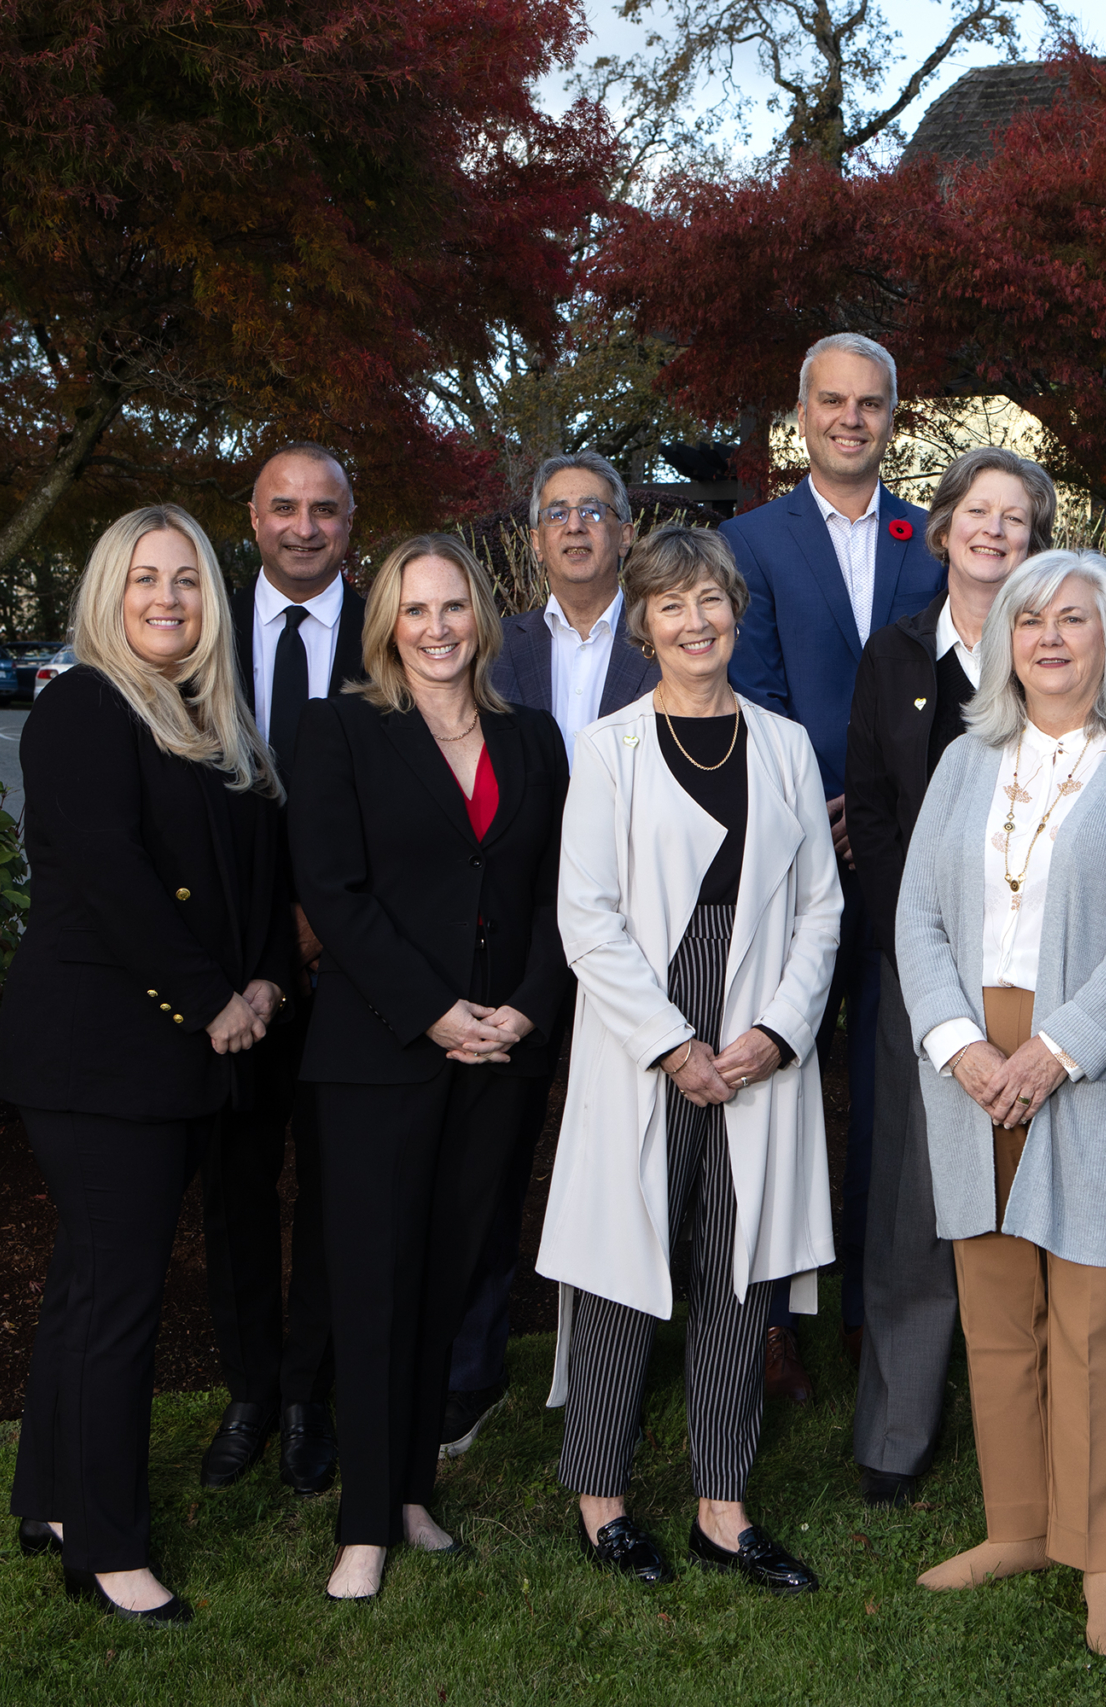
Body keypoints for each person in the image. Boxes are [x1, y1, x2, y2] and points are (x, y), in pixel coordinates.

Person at [892, 549, 1106, 1658]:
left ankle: (1101, 1554)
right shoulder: (967, 761)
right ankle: (1018, 1525)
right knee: (995, 1310)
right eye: (1031, 621)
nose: (1052, 638)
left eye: (1076, 619)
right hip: (972, 1056)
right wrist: (959, 1045)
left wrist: (1057, 1049)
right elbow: (916, 921)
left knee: (1093, 1315)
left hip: (1092, 1058)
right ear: (1002, 641)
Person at [1, 505, 295, 1625]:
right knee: (116, 1299)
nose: (167, 597)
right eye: (143, 580)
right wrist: (212, 998)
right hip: (99, 1051)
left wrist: (265, 977)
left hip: (178, 1047)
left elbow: (262, 871)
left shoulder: (214, 717)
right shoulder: (83, 704)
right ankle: (110, 1551)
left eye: (184, 579)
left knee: (87, 1284)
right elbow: (114, 878)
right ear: (108, 596)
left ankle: (54, 1497)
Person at [537, 526, 842, 1594]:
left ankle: (724, 1504)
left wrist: (778, 1032)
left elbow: (819, 907)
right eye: (671, 605)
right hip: (646, 1037)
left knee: (735, 1265)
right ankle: (602, 1498)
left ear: (735, 612)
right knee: (625, 1268)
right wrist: (673, 1044)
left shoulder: (787, 746)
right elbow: (586, 917)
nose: (695, 620)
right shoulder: (609, 750)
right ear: (643, 625)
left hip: (757, 1036)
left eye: (710, 599)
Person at [287, 533, 570, 1601]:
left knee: (448, 1281)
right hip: (382, 1055)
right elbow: (333, 890)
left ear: (482, 619)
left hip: (500, 1058)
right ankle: (363, 1524)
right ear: (387, 626)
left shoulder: (532, 739)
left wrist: (526, 1011)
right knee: (373, 1286)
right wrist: (436, 1013)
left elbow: (559, 891)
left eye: (455, 607)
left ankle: (409, 1490)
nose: (439, 628)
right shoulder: (341, 731)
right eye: (417, 611)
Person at [721, 332, 946, 1397]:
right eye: (831, 401)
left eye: (870, 403)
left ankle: (876, 1311)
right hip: (793, 849)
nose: (850, 418)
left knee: (897, 1089)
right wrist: (822, 812)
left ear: (891, 418)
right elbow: (749, 694)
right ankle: (763, 1315)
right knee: (775, 1081)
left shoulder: (931, 539)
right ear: (799, 414)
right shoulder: (750, 542)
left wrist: (886, 813)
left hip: (906, 854)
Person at [439, 450, 661, 1460]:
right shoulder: (494, 652)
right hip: (515, 940)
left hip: (634, 935)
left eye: (596, 511)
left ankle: (604, 1370)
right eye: (557, 512)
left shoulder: (666, 642)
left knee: (626, 1158)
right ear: (533, 540)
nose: (577, 526)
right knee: (491, 1161)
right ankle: (472, 1373)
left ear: (624, 533)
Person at [844, 447, 1055, 1508]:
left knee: (1041, 1201)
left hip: (1040, 976)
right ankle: (896, 1427)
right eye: (978, 511)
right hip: (919, 973)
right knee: (912, 1207)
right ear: (942, 527)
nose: (994, 531)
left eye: (1016, 518)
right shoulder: (889, 658)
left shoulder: (1061, 651)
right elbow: (872, 819)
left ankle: (1043, 1424)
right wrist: (919, 952)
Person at [200, 441, 365, 1497]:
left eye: (325, 509)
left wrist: (326, 920)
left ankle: (312, 1391)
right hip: (232, 968)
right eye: (284, 508)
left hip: (352, 962)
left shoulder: (390, 623)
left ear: (352, 521)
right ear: (252, 517)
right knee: (236, 1187)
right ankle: (250, 1387)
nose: (304, 527)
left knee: (339, 1188)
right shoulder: (198, 630)